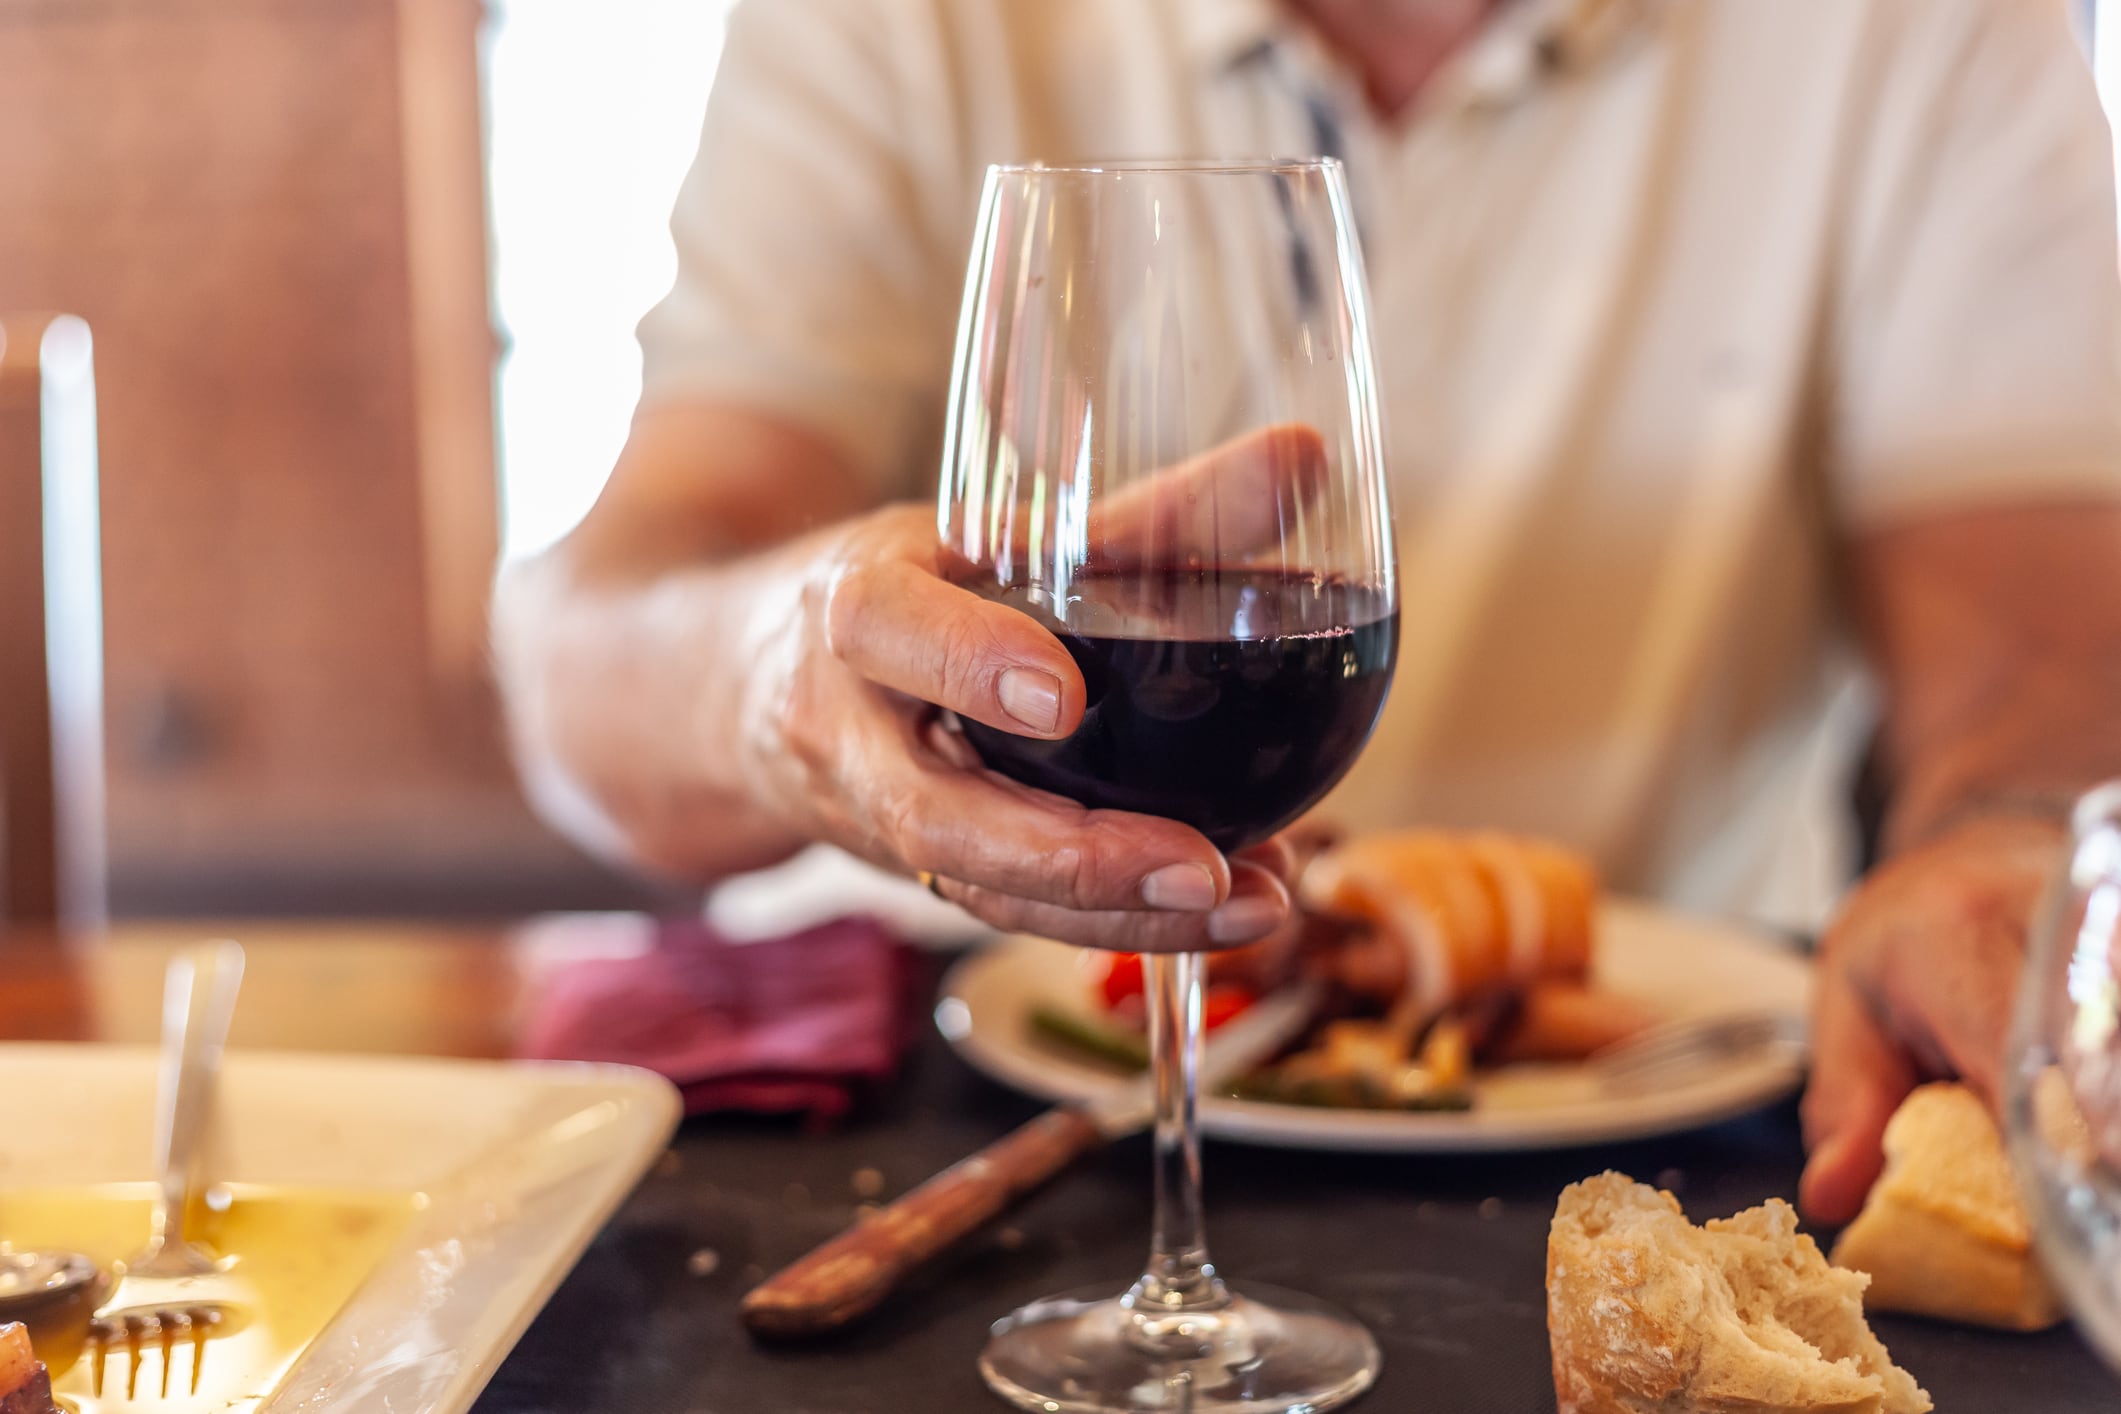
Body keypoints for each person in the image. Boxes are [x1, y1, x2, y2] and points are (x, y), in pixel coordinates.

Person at [492, 0, 2121, 1224]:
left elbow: (2034, 659)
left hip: (1639, 1122)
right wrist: (772, 667)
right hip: (936, 1133)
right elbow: (597, 644)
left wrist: (2002, 838)